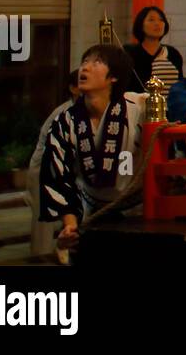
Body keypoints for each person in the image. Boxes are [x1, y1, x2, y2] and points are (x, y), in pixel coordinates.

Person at [39, 45, 147, 252]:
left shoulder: (140, 107)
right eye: (84, 62)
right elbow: (58, 177)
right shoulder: (65, 121)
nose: (85, 68)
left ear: (113, 77)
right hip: (90, 211)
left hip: (138, 212)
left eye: (96, 62)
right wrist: (70, 226)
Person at [27, 68, 80, 262]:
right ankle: (41, 256)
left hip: (69, 169)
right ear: (73, 88)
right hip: (45, 168)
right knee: (45, 218)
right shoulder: (64, 113)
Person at [124, 6, 185, 93]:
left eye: (161, 20)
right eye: (151, 20)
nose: (157, 23)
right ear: (141, 24)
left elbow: (180, 85)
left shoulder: (173, 53)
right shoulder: (129, 53)